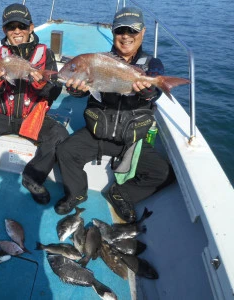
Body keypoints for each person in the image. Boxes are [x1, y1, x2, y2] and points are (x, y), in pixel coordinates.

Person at [54, 7, 175, 221]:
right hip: (99, 134)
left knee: (164, 173)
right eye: (120, 31)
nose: (126, 36)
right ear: (113, 33)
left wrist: (149, 91)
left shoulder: (151, 65)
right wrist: (74, 89)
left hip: (132, 140)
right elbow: (82, 90)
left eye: (132, 30)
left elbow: (154, 90)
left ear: (143, 33)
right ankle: (77, 193)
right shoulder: (98, 60)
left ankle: (121, 194)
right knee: (65, 151)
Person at [0, 3, 68, 204]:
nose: (17, 31)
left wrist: (41, 83)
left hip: (32, 116)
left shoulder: (46, 54)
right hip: (3, 116)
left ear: (31, 28)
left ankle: (32, 178)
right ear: (4, 30)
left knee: (60, 135)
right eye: (11, 27)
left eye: (22, 26)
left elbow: (54, 92)